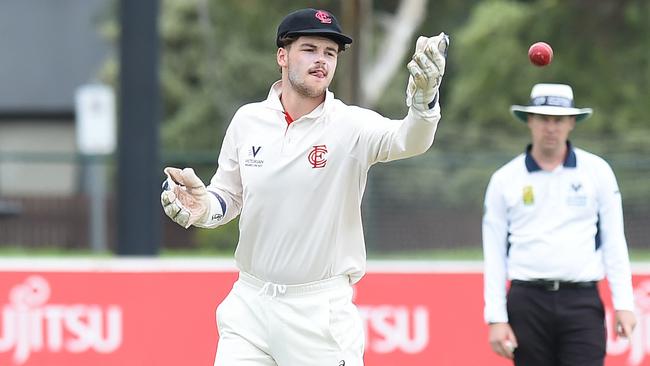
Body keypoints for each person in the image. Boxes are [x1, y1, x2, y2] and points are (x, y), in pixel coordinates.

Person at [160, 8, 449, 366]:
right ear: (282, 55)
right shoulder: (247, 120)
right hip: (250, 303)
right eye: (310, 49)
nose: (321, 61)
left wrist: (423, 105)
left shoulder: (351, 125)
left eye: (330, 53)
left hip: (318, 313)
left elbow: (410, 140)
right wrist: (202, 208)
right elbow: (228, 197)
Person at [482, 83, 637, 365]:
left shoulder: (598, 172)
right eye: (543, 119)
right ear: (530, 120)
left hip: (581, 300)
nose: (550, 128)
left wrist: (624, 304)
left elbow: (614, 242)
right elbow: (494, 253)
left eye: (558, 120)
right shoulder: (505, 179)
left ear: (571, 123)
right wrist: (495, 316)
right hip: (527, 301)